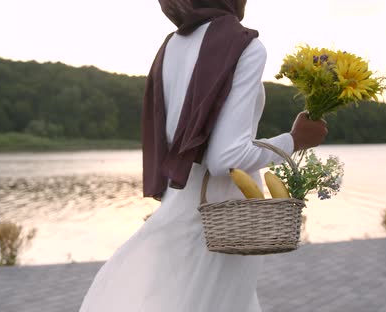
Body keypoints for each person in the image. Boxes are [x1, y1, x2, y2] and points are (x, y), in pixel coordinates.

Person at [79, 0, 327, 311]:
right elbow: (225, 159)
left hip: (179, 210)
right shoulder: (245, 46)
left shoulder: (171, 45)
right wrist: (293, 141)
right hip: (222, 220)